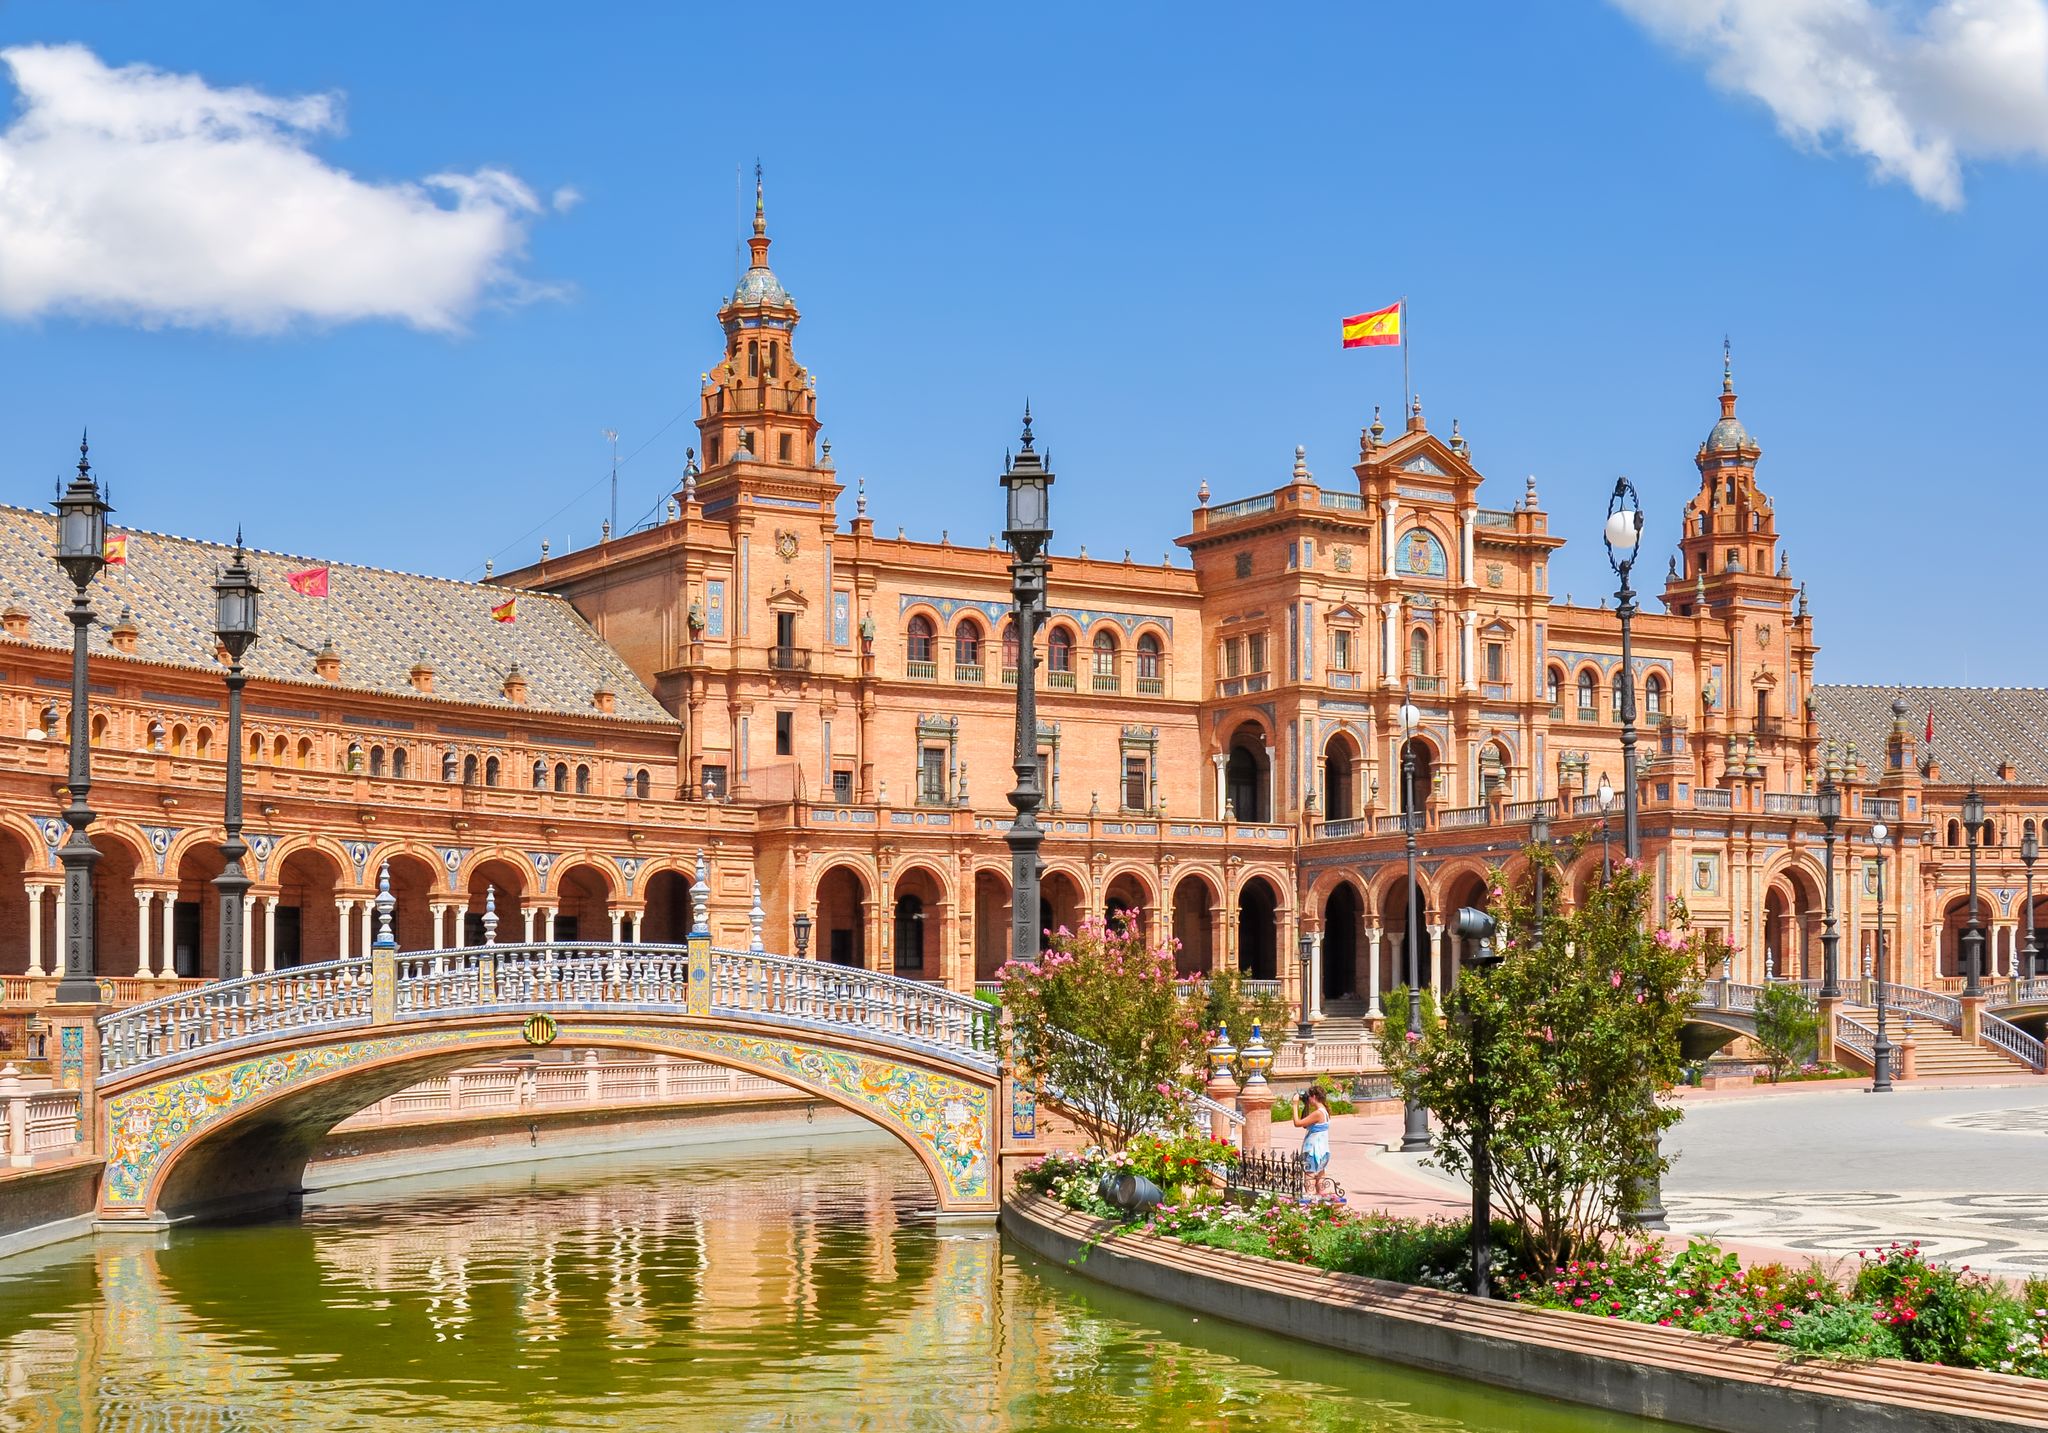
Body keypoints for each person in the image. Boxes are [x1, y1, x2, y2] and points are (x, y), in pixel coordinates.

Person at [1292, 1086, 1332, 1197]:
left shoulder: (1318, 1113)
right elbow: (1305, 1124)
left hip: (1312, 1152)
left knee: (1309, 1184)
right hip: (1323, 1151)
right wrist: (1306, 1105)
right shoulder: (1324, 1111)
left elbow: (1298, 1123)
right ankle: (1323, 1207)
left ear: (1314, 1097)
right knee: (1321, 1184)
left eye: (1309, 1097)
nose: (1308, 1099)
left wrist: (1295, 1105)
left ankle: (1309, 1208)